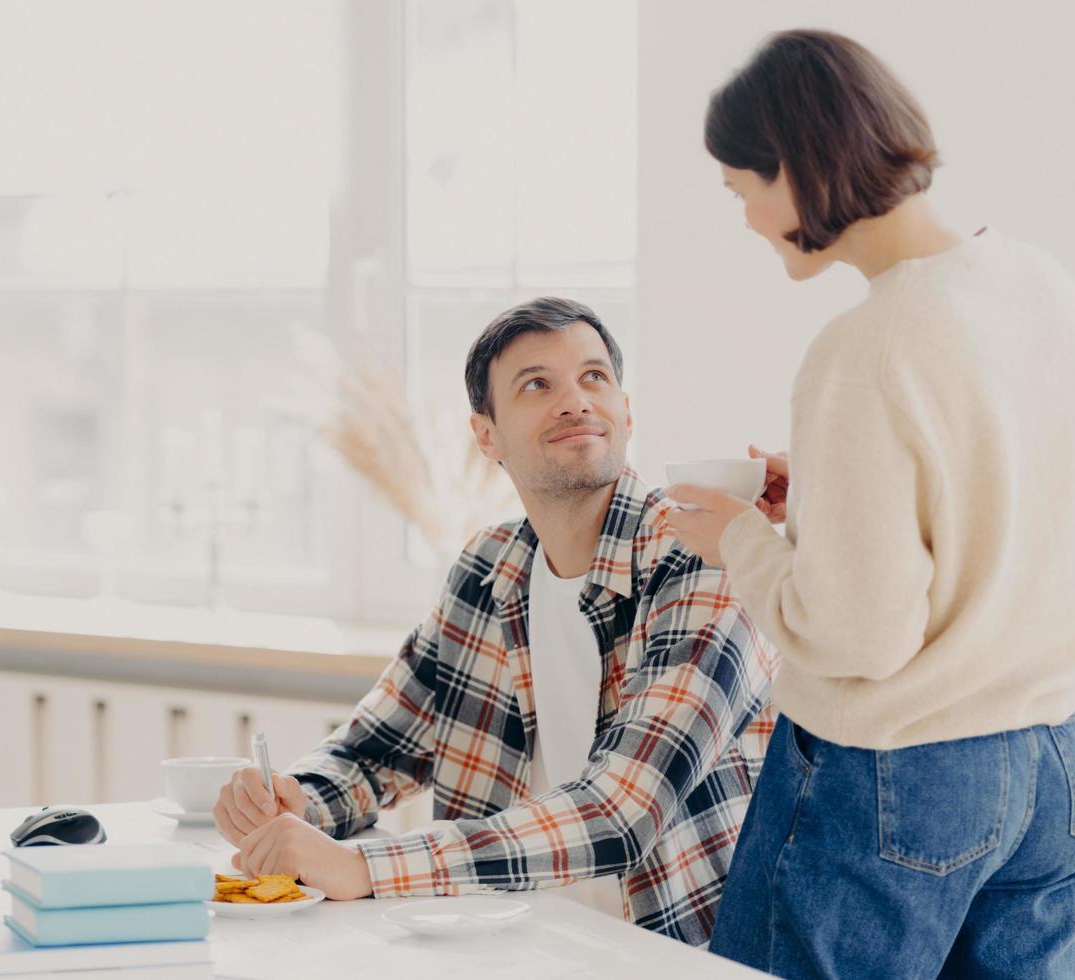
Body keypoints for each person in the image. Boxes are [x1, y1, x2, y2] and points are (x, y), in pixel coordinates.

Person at [666, 29, 1075, 978]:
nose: (747, 218)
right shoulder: (1044, 284)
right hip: (1063, 763)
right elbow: (1030, 495)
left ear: (793, 166)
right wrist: (829, 498)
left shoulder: (866, 349)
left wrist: (745, 542)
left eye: (741, 188)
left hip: (904, 776)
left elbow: (856, 636)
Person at [213, 297, 776, 945]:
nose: (575, 401)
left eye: (594, 378)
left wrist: (363, 865)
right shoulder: (489, 566)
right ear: (487, 435)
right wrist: (299, 800)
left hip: (669, 954)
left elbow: (623, 814)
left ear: (626, 410)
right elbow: (376, 750)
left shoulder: (705, 556)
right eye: (537, 385)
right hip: (508, 942)